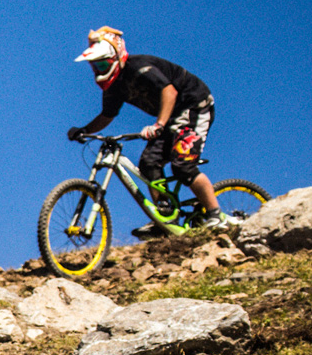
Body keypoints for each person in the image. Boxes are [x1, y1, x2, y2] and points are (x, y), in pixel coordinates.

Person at [66, 26, 227, 234]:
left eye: (102, 63)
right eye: (94, 66)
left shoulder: (139, 67)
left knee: (183, 166)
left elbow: (169, 91)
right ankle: (165, 217)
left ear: (116, 57)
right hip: (171, 119)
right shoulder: (113, 87)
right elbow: (107, 115)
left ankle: (215, 215)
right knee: (149, 163)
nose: (98, 70)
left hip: (194, 106)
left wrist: (159, 124)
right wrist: (84, 130)